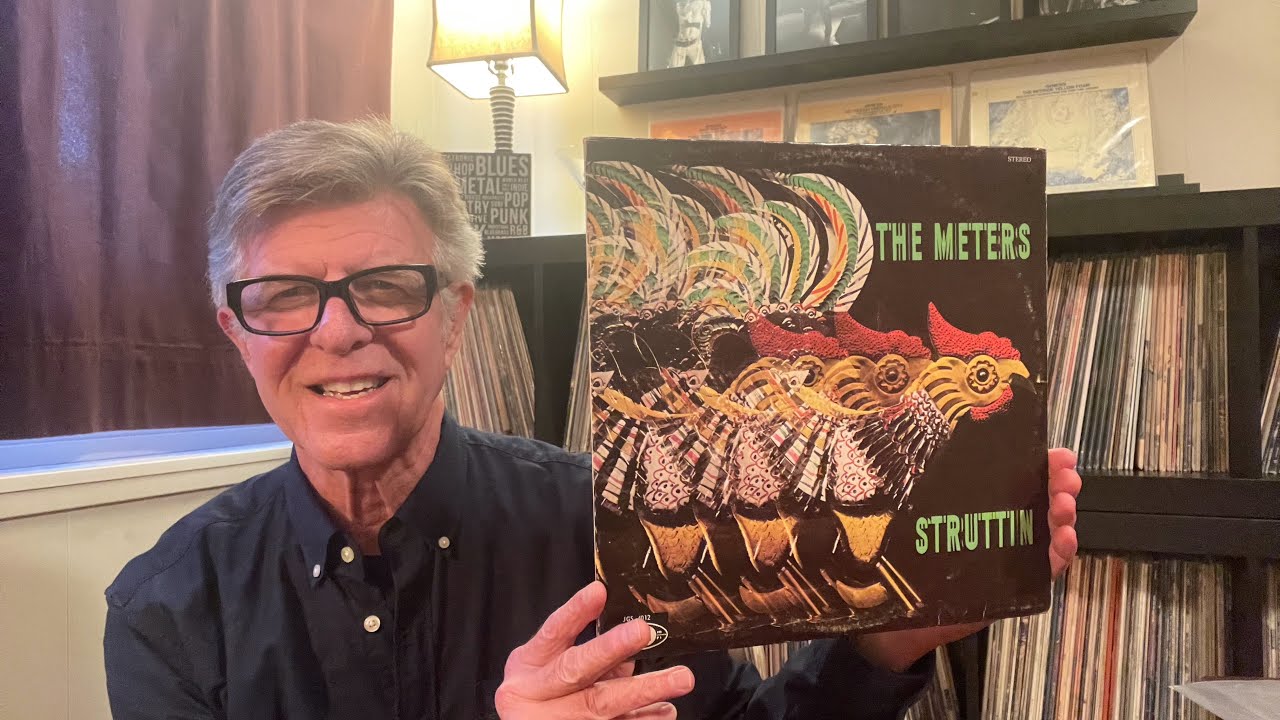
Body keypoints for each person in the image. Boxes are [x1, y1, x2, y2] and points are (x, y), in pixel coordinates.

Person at [102, 118, 1082, 719]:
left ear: (456, 316)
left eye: (386, 285)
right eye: (283, 296)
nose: (338, 331)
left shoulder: (609, 522)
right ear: (237, 334)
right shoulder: (169, 610)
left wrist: (886, 646)